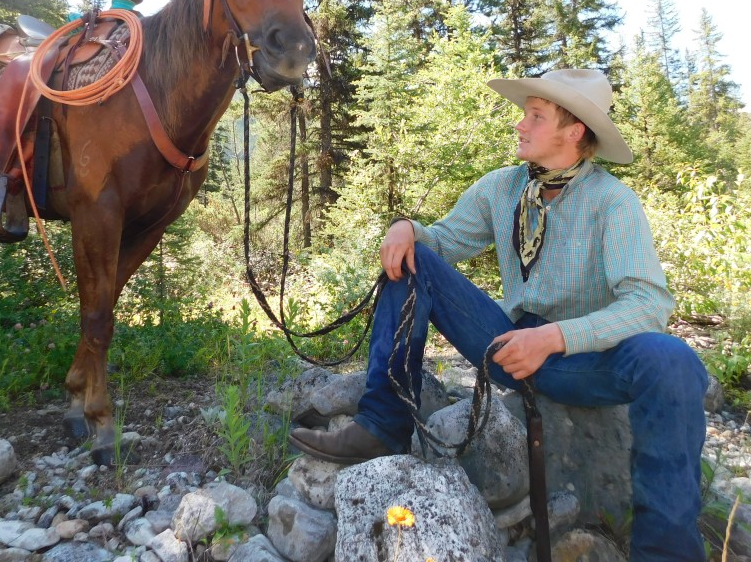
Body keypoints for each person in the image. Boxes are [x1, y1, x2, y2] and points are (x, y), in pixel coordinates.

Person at [290, 68, 708, 561]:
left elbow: (648, 304)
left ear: (573, 132)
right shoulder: (502, 187)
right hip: (507, 344)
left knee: (673, 360)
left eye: (535, 116)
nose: (520, 125)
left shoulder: (612, 202)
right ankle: (381, 425)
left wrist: (554, 339)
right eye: (524, 114)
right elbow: (443, 241)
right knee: (416, 259)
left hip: (582, 359)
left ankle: (668, 553)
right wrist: (406, 227)